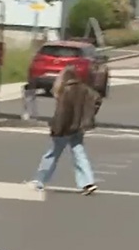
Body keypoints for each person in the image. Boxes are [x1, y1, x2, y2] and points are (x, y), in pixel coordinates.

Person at [30, 65, 101, 195]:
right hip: (78, 127)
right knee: (79, 154)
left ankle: (40, 181)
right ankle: (88, 182)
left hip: (64, 128)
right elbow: (97, 99)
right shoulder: (84, 89)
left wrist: (55, 128)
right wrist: (89, 116)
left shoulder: (66, 91)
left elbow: (61, 113)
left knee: (52, 154)